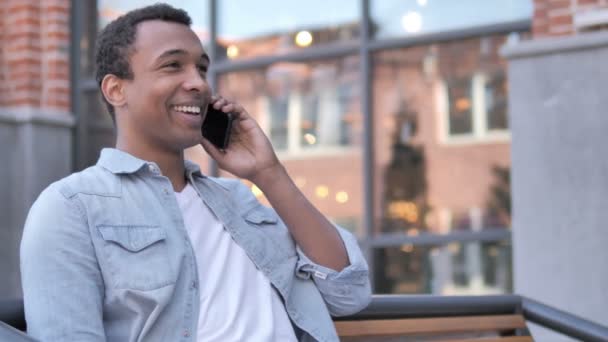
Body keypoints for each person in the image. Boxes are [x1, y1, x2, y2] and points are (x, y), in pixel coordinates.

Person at [20, 3, 371, 342]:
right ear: (116, 89)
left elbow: (348, 294)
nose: (199, 84)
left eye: (201, 68)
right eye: (173, 66)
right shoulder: (70, 207)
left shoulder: (237, 200)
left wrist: (268, 173)